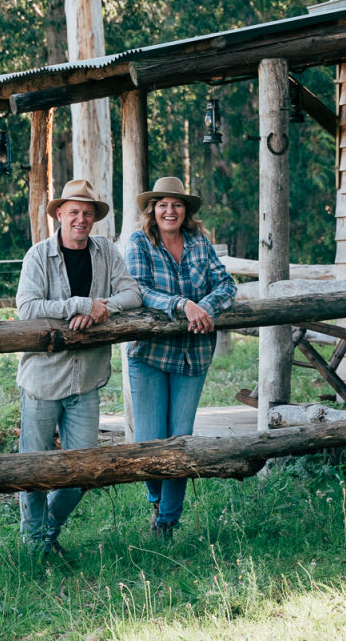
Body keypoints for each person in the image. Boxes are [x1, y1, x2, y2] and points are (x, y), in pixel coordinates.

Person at [15, 177, 142, 556]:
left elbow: (132, 293)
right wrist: (78, 304)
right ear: (59, 214)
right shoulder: (37, 256)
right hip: (43, 380)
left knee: (83, 469)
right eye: (73, 212)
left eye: (87, 213)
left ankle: (47, 533)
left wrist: (102, 308)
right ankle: (33, 545)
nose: (80, 219)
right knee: (34, 469)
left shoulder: (105, 252)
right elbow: (27, 308)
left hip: (86, 379)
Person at [126, 175, 236, 538]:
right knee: (152, 439)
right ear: (152, 210)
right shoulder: (140, 241)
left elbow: (227, 284)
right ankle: (156, 500)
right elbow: (139, 289)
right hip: (150, 353)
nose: (169, 210)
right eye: (162, 204)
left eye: (176, 204)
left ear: (185, 211)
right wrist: (183, 304)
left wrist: (204, 307)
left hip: (193, 354)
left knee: (181, 438)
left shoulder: (200, 244)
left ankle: (168, 520)